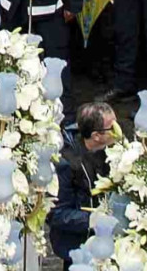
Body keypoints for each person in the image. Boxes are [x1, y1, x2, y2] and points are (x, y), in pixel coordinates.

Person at [49, 101, 118, 264]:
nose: (118, 131)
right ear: (96, 136)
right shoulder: (66, 164)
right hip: (77, 246)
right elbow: (56, 213)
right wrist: (91, 220)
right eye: (112, 128)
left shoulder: (110, 149)